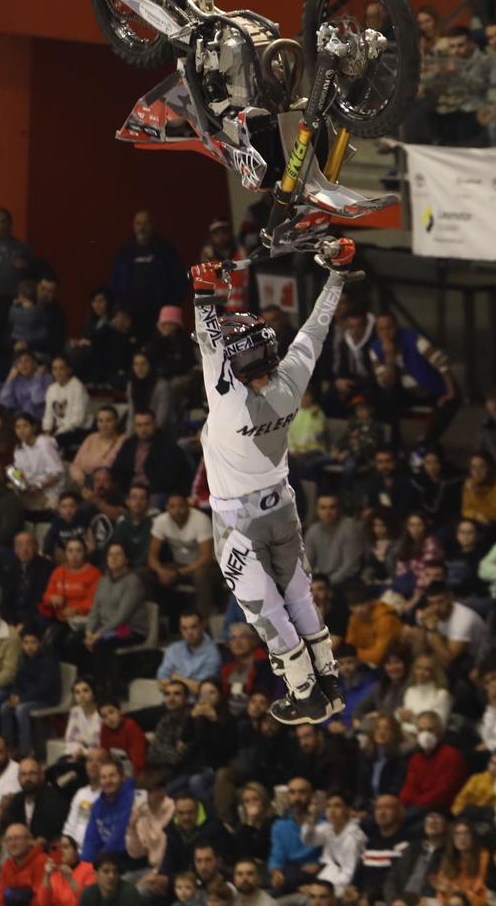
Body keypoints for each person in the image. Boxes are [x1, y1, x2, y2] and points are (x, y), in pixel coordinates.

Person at [188, 240, 356, 727]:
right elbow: (313, 333)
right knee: (300, 595)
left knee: (267, 611)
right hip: (283, 508)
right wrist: (337, 276)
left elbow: (208, 343)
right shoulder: (290, 384)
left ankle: (305, 693)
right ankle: (329, 684)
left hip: (238, 522)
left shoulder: (227, 401)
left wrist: (206, 296)